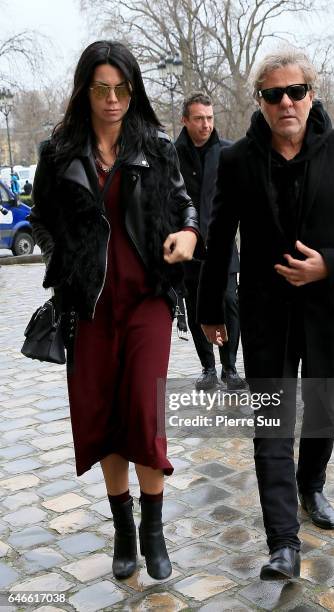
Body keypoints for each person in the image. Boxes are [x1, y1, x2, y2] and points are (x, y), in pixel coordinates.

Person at [197, 48, 334, 580]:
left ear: (312, 93)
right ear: (260, 101)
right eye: (273, 94)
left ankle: (312, 485)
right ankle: (283, 542)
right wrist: (209, 308)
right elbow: (217, 240)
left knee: (324, 413)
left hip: (328, 312)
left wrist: (328, 264)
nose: (286, 102)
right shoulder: (236, 161)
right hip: (266, 317)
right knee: (271, 428)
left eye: (295, 91)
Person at [30, 40, 201, 582]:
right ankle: (123, 531)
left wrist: (189, 234)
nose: (111, 99)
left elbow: (183, 204)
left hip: (148, 298)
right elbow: (41, 220)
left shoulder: (154, 144)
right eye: (101, 89)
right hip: (89, 307)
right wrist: (64, 259)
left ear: (133, 89)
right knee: (104, 417)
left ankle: (154, 531)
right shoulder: (59, 152)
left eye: (121, 88)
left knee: (145, 414)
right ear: (85, 91)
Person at [175, 92, 245, 391]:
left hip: (223, 245)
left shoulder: (228, 152)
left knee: (229, 303)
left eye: (210, 118)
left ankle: (229, 366)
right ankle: (208, 367)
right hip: (188, 248)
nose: (206, 124)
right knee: (195, 309)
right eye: (199, 118)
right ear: (185, 120)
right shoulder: (171, 155)